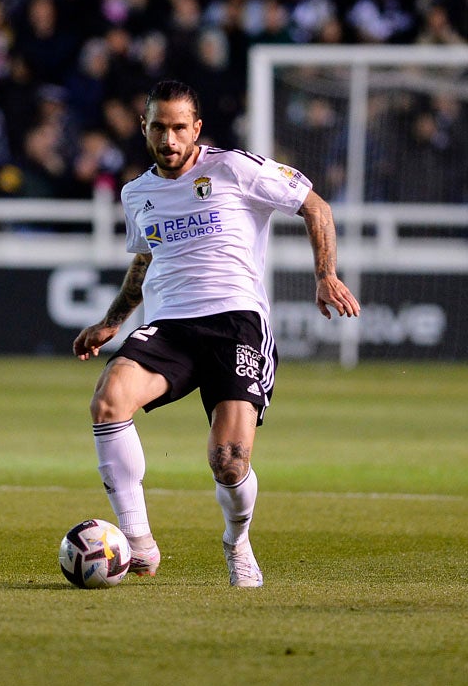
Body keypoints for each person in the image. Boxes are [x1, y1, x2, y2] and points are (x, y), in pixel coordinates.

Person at [72, 79, 360, 588]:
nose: (169, 139)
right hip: (171, 327)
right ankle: (139, 544)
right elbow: (145, 260)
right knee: (108, 400)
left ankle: (236, 539)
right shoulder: (137, 194)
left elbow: (317, 207)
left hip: (236, 324)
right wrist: (114, 320)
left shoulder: (235, 167)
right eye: (159, 127)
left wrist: (325, 274)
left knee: (229, 461)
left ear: (196, 128)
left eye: (180, 127)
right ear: (144, 128)